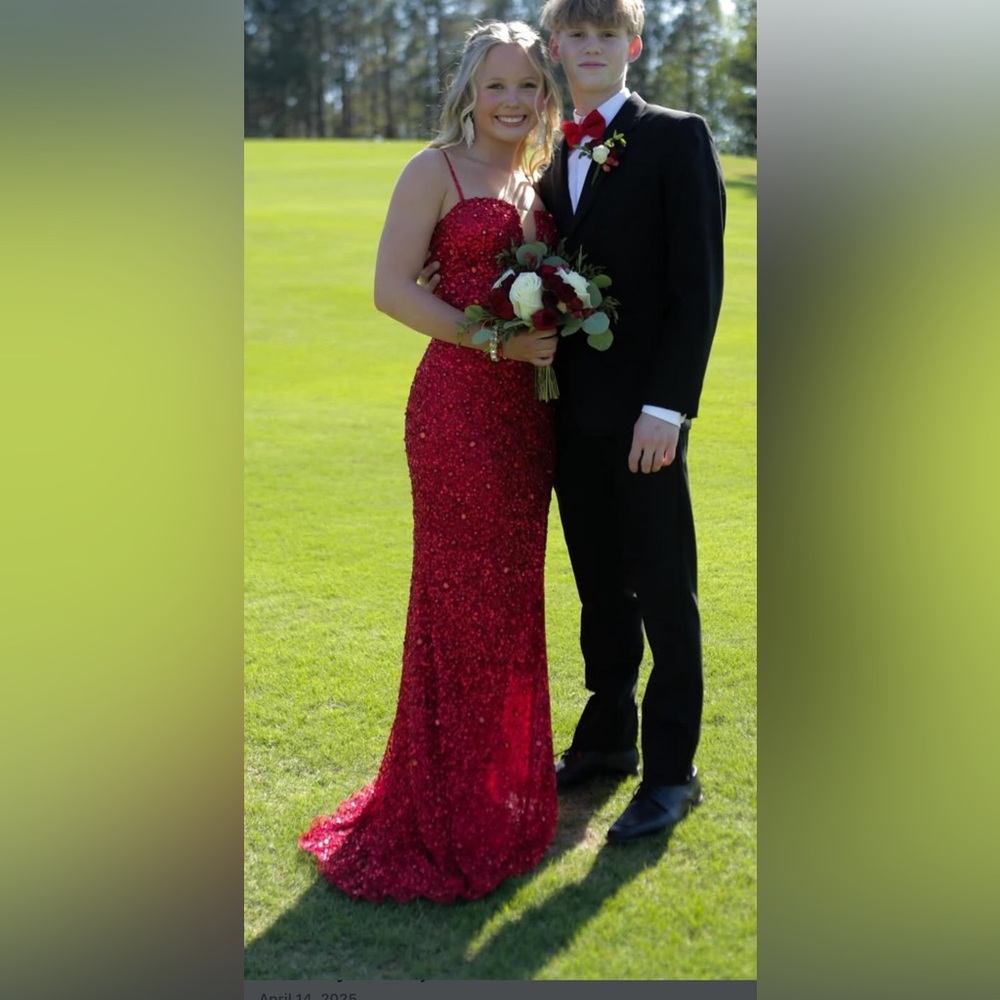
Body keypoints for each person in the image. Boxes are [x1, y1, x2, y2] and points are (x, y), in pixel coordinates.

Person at [298, 21, 565, 902]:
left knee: (511, 596)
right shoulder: (435, 170)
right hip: (457, 411)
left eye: (529, 85)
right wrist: (494, 344)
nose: (514, 101)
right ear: (469, 89)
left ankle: (503, 798)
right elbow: (390, 288)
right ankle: (441, 807)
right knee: (457, 600)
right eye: (498, 86)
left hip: (529, 419)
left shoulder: (544, 172)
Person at [536, 0, 726, 842]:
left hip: (647, 418)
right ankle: (608, 733)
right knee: (597, 584)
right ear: (554, 47)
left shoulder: (676, 137)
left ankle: (672, 768)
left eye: (605, 34)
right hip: (570, 417)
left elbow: (698, 288)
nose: (589, 47)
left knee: (663, 589)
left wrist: (668, 409)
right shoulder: (551, 151)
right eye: (574, 34)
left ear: (633, 44)